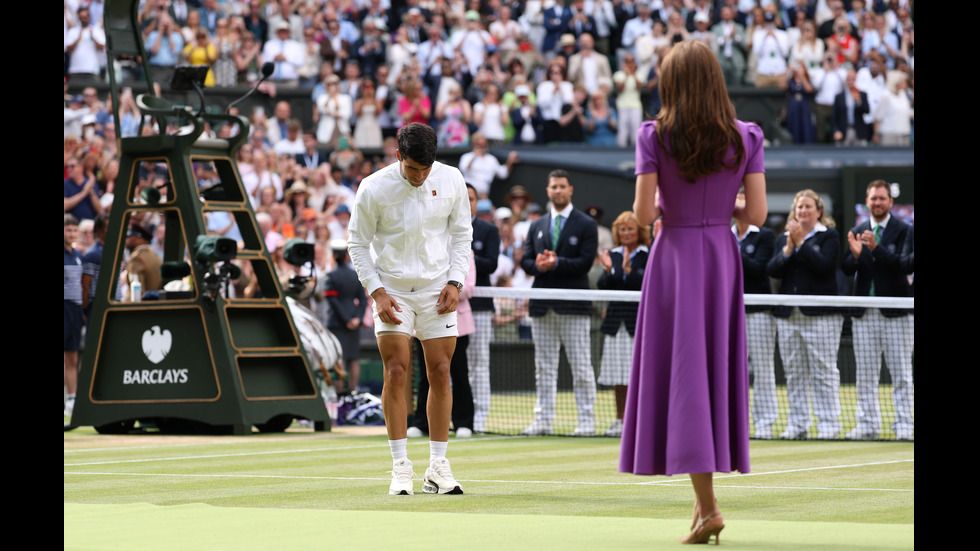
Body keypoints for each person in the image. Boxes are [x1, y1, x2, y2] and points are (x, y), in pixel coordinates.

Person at [620, 40, 767, 545]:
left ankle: (707, 508)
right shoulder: (746, 135)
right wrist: (725, 205)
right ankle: (703, 506)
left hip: (675, 257)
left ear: (671, 82)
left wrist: (667, 200)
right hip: (721, 257)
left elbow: (641, 217)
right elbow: (759, 216)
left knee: (683, 376)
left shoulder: (654, 136)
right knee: (706, 375)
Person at [347, 123, 472, 496]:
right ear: (398, 156)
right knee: (397, 371)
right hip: (393, 290)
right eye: (413, 168)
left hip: (438, 290)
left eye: (426, 169)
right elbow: (357, 244)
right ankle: (400, 466)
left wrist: (455, 282)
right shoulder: (373, 187)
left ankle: (437, 467)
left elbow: (462, 234)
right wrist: (378, 292)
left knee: (441, 371)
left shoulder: (451, 179)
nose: (420, 176)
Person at [520, 169, 599, 436]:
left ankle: (587, 420)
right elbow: (527, 261)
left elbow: (585, 263)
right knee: (544, 367)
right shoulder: (537, 225)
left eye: (562, 186)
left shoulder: (586, 224)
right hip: (542, 306)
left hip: (574, 306)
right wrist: (541, 265)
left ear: (570, 190)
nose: (558, 191)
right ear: (548, 190)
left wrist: (558, 262)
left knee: (581, 365)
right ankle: (543, 420)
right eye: (554, 186)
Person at [767, 189, 843, 441]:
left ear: (819, 211)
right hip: (789, 315)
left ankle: (829, 425)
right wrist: (789, 248)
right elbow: (774, 270)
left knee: (823, 371)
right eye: (799, 207)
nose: (803, 211)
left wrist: (801, 244)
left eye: (808, 207)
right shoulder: (784, 239)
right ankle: (797, 424)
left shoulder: (829, 236)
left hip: (821, 316)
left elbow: (825, 266)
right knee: (794, 372)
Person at [842, 180, 913, 441]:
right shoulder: (858, 229)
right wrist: (858, 255)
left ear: (890, 202)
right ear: (867, 200)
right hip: (865, 313)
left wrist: (876, 249)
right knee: (865, 374)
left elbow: (904, 264)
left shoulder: (905, 230)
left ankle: (905, 424)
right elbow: (847, 268)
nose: (877, 203)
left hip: (896, 312)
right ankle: (867, 425)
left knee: (902, 373)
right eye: (873, 199)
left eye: (882, 198)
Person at [408, 253, 478, 438]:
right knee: (426, 375)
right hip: (424, 323)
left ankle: (464, 423)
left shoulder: (463, 251)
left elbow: (469, 287)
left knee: (459, 374)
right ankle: (422, 422)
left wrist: (443, 291)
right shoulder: (424, 246)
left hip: (457, 325)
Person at [596, 211, 650, 438]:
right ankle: (621, 420)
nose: (626, 233)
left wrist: (628, 271)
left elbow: (647, 282)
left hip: (642, 324)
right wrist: (609, 270)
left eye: (630, 228)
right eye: (622, 229)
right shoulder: (613, 255)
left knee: (642, 375)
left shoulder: (649, 254)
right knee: (619, 376)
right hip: (616, 324)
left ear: (639, 231)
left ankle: (644, 420)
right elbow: (603, 285)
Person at [732, 196, 777, 439]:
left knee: (763, 368)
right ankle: (734, 424)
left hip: (759, 312)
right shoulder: (723, 233)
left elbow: (759, 268)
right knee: (729, 371)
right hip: (729, 312)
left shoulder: (765, 236)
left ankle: (765, 423)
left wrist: (728, 247)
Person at [464, 183, 500, 434]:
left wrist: (464, 257)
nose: (468, 203)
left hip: (480, 307)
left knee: (479, 362)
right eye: (463, 198)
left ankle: (479, 418)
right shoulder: (443, 226)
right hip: (450, 308)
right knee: (454, 365)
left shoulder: (488, 230)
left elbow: (491, 264)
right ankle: (457, 416)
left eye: (472, 199)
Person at [324, 238, 367, 394]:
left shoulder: (331, 276)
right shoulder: (355, 275)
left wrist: (346, 319)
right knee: (353, 358)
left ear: (334, 256)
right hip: (353, 322)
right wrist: (357, 318)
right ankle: (353, 392)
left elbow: (333, 300)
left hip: (337, 323)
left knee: (339, 359)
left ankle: (339, 394)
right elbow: (363, 300)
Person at [65, 214, 85, 417]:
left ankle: (72, 397)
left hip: (75, 309)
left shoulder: (78, 255)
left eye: (74, 230)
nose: (71, 234)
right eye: (67, 230)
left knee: (72, 356)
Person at [458, 132, 519, 199]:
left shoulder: (491, 159)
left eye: (483, 144)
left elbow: (503, 174)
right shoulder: (466, 157)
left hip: (484, 197)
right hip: (468, 196)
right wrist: (474, 157)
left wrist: (510, 161)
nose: (481, 147)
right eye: (479, 145)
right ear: (473, 144)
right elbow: (463, 169)